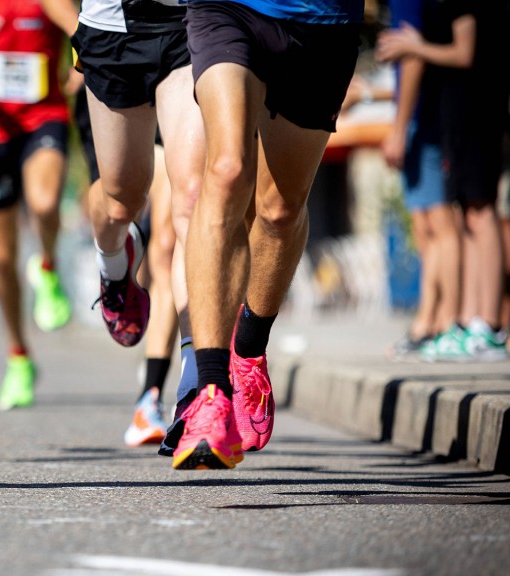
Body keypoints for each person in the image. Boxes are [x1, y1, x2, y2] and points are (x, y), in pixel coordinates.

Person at [170, 0, 363, 470]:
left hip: (322, 22)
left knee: (280, 209)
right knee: (227, 168)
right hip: (228, 9)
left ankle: (249, 348)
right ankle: (209, 392)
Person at [55, 0, 205, 446]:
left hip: (192, 22)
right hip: (113, 29)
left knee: (191, 200)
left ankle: (197, 384)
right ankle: (114, 263)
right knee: (121, 200)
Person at [377, 0, 510, 362]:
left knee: (481, 211)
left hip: (478, 109)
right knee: (469, 214)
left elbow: (465, 52)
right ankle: (470, 323)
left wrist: (414, 47)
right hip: (460, 112)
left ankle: (492, 327)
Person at [0, 0, 74, 410]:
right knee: (2, 259)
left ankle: (47, 265)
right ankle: (18, 356)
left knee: (46, 203)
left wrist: (80, 75)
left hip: (43, 119)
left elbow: (84, 31)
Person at [378, 0, 461, 361]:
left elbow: (412, 58)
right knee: (426, 228)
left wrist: (399, 128)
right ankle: (432, 319)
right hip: (422, 117)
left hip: (423, 120)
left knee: (439, 224)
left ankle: (443, 321)